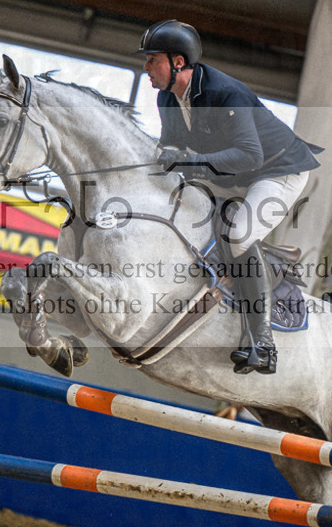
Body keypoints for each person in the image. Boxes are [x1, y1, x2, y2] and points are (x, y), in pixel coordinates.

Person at [136, 20, 321, 375]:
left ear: (178, 62)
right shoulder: (167, 98)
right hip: (232, 175)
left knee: (238, 235)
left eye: (151, 59)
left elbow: (249, 155)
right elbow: (173, 146)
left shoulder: (225, 94)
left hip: (277, 170)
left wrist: (190, 161)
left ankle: (262, 342)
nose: (145, 67)